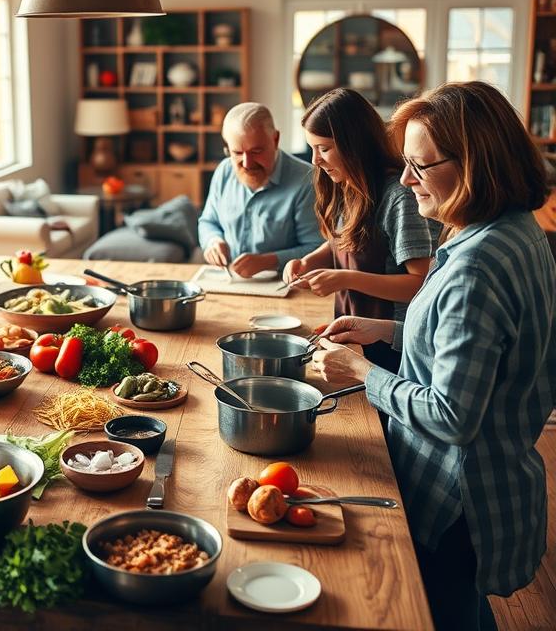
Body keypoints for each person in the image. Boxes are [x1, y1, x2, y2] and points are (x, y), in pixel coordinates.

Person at [310, 82, 555, 631]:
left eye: (420, 166)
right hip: (493, 478)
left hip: (457, 496)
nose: (404, 180)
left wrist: (362, 371)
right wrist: (390, 331)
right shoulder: (512, 231)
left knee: (439, 614)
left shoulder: (475, 266)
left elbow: (452, 415)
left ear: (473, 164)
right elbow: (478, 348)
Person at [282, 88, 437, 369]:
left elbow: (420, 284)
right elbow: (343, 242)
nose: (315, 160)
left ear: (355, 144)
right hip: (355, 337)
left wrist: (345, 279)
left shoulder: (398, 197)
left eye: (324, 148)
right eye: (313, 148)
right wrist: (307, 262)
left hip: (395, 350)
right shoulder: (346, 185)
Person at [198, 102, 322, 277]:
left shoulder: (307, 180)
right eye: (237, 153)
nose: (247, 163)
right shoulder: (224, 171)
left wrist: (268, 261)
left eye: (256, 151)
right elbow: (208, 221)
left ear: (275, 139)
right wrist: (213, 241)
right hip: (230, 281)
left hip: (285, 285)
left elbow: (318, 249)